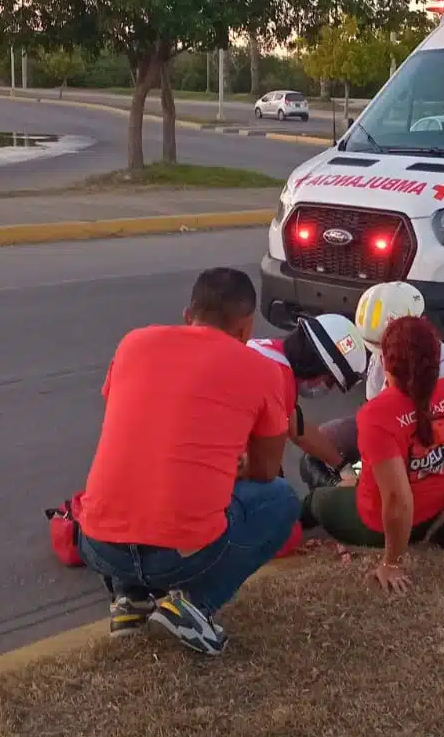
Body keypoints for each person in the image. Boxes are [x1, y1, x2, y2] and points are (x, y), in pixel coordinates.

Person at [77, 267, 300, 655]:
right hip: (177, 557)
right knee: (281, 499)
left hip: (98, 546)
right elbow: (265, 472)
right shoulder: (262, 370)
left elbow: (134, 428)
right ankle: (195, 606)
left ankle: (130, 598)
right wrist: (230, 464)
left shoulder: (133, 343)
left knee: (136, 472)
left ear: (187, 314)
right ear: (246, 328)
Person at [302, 315, 444, 593]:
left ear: (386, 362)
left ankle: (303, 516)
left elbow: (398, 501)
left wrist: (392, 562)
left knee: (314, 497)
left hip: (379, 524)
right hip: (435, 511)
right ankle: (348, 484)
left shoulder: (377, 414)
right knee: (355, 475)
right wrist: (439, 523)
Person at [309, 282, 444, 489]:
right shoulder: (381, 356)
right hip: (389, 439)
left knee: (322, 501)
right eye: (377, 348)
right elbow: (372, 406)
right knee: (320, 444)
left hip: (423, 450)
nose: (382, 357)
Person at [247, 314, 369, 472]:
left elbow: (298, 430)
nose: (328, 389)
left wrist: (341, 466)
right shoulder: (279, 380)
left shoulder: (267, 351)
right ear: (316, 367)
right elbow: (266, 467)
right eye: (330, 382)